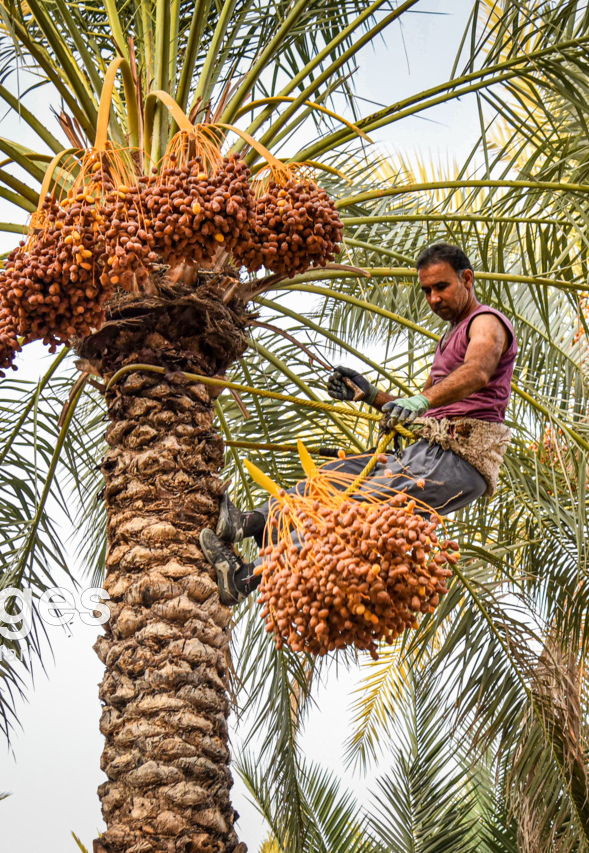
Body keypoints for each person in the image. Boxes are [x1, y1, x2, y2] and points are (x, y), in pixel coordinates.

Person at [200, 242, 519, 605]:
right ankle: (246, 524)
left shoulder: (486, 322)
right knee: (333, 478)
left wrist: (422, 400)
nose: (433, 299)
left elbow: (477, 371)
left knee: (352, 511)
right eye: (426, 291)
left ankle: (243, 578)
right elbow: (421, 411)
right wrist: (369, 395)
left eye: (441, 287)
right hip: (425, 451)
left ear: (467, 279)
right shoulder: (449, 336)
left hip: (459, 461)